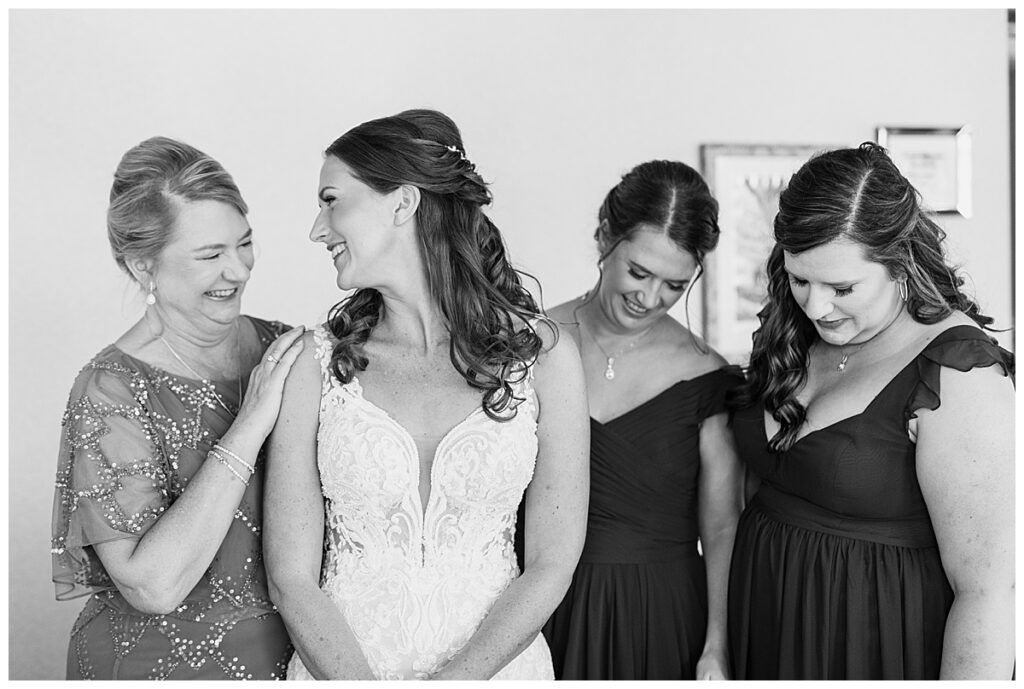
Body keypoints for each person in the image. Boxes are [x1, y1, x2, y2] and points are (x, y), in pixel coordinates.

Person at [263, 109, 589, 680]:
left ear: (403, 203)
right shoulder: (314, 365)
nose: (317, 229)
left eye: (332, 201)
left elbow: (551, 563)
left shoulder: (544, 359)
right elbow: (290, 579)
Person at [727, 142, 1014, 680]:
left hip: (871, 646)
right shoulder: (797, 327)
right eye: (800, 279)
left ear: (899, 264)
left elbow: (989, 593)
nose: (816, 307)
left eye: (842, 287)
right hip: (765, 627)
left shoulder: (958, 371)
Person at [50, 137, 305, 679]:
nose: (239, 271)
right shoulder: (111, 389)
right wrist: (249, 424)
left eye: (245, 243)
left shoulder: (285, 349)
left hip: (296, 662)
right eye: (210, 256)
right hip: (156, 667)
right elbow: (153, 586)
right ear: (144, 266)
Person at [540, 160, 745, 680]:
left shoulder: (705, 375)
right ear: (604, 237)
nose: (650, 299)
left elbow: (721, 526)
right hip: (541, 608)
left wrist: (717, 644)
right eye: (638, 273)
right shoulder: (530, 345)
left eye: (675, 285)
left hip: (662, 613)